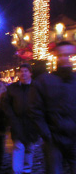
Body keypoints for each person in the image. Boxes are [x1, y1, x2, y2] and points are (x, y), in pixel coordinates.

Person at [29, 41, 76, 174]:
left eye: (68, 55)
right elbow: (35, 110)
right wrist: (47, 134)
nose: (65, 58)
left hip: (74, 138)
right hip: (53, 140)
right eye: (61, 55)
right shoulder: (44, 81)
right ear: (56, 56)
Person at [4, 63, 38, 174]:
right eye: (21, 71)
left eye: (26, 71)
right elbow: (6, 104)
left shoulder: (37, 87)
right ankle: (17, 170)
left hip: (32, 122)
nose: (23, 73)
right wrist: (11, 118)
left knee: (30, 147)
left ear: (30, 73)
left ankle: (27, 169)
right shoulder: (12, 88)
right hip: (17, 122)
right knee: (18, 146)